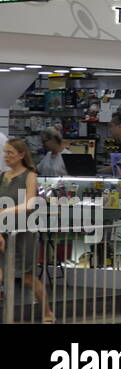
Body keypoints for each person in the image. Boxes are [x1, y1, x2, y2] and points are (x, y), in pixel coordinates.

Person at [0, 137, 55, 322]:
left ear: (21, 155)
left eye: (10, 153)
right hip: (4, 231)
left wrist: (6, 210)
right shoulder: (3, 177)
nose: (6, 156)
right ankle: (8, 316)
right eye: (5, 152)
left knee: (27, 277)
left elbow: (30, 203)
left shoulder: (30, 175)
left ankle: (47, 312)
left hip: (23, 233)